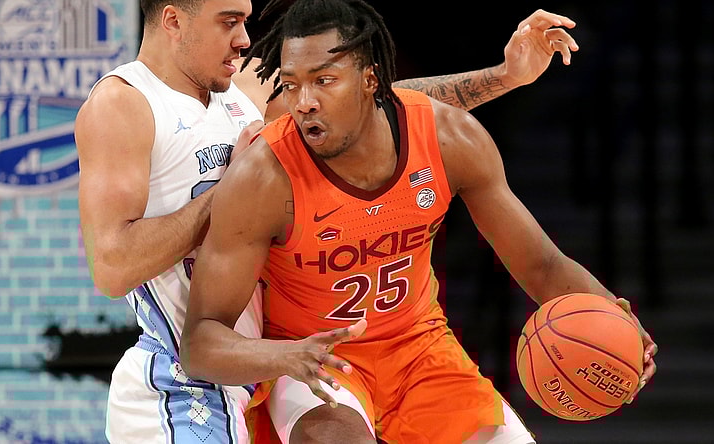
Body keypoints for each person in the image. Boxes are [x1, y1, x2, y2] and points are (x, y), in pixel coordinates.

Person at [74, 0, 581, 442]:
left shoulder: (243, 88)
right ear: (173, 22)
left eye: (247, 21)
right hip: (186, 373)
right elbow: (112, 269)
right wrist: (226, 194)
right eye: (229, 21)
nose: (245, 38)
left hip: (253, 369)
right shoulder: (124, 102)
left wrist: (504, 77)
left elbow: (375, 104)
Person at [179, 0, 657, 443]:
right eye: (291, 84)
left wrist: (619, 327)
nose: (304, 102)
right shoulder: (264, 177)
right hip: (314, 362)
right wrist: (281, 356)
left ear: (371, 79)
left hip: (420, 350)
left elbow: (544, 267)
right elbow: (200, 341)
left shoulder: (449, 139)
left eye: (324, 80)